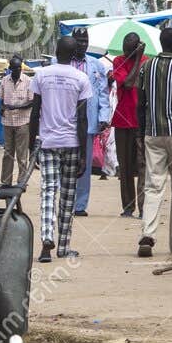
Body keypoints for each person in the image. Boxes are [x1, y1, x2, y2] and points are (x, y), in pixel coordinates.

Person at [30, 36, 92, 263]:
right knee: (67, 196)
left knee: (48, 191)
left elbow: (35, 112)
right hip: (72, 144)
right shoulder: (81, 78)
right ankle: (63, 247)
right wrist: (84, 155)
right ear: (75, 54)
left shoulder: (41, 75)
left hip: (47, 142)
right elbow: (83, 119)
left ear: (55, 51)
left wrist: (31, 146)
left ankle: (47, 240)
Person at [136, 27, 172, 257]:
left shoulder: (146, 67)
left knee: (153, 184)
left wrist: (141, 135)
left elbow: (140, 105)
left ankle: (148, 234)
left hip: (152, 133)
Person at [69, 26, 110, 215]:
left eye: (85, 41)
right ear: (72, 41)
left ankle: (80, 205)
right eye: (79, 41)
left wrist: (103, 117)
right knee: (67, 163)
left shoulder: (96, 65)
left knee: (84, 165)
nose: (82, 45)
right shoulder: (60, 62)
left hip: (89, 121)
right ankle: (66, 202)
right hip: (66, 122)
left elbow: (103, 93)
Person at [109, 33, 145, 217]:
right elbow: (129, 83)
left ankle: (144, 207)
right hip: (123, 121)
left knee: (142, 166)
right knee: (125, 168)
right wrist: (137, 58)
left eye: (130, 49)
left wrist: (139, 58)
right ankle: (128, 207)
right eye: (125, 48)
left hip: (141, 121)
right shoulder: (118, 61)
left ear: (137, 47)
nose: (126, 52)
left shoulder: (147, 62)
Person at [0, 56, 33, 185]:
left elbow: (31, 102)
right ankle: (6, 181)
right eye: (15, 68)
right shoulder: (4, 81)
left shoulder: (28, 81)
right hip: (7, 122)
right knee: (8, 153)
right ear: (10, 69)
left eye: (19, 68)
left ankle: (22, 181)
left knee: (22, 155)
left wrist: (16, 107)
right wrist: (2, 108)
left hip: (23, 122)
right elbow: (0, 99)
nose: (17, 70)